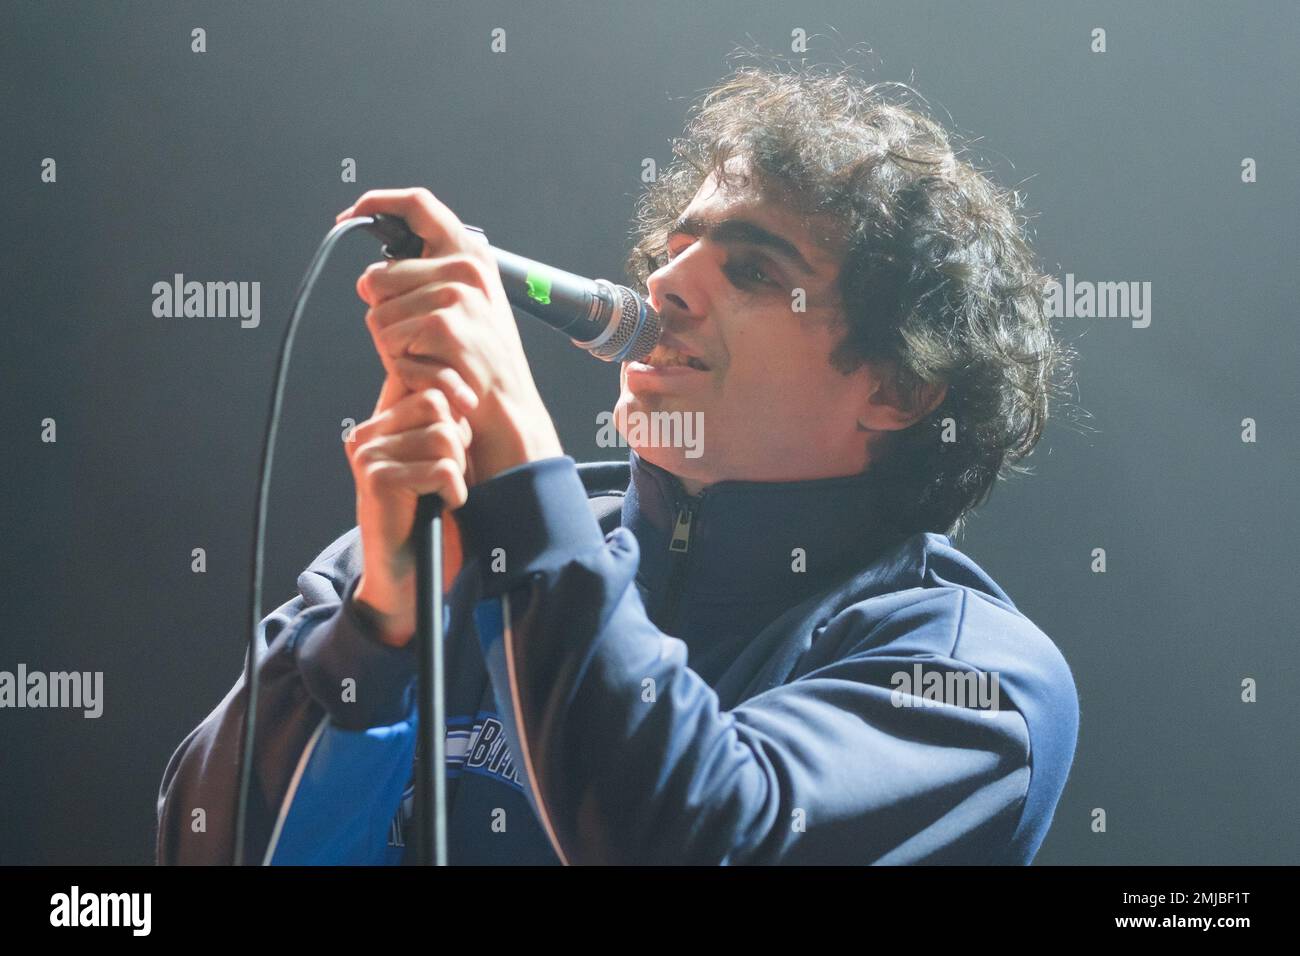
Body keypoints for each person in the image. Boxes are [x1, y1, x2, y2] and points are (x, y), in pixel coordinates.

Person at [156, 64, 1079, 865]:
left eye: (753, 271)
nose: (668, 283)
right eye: (676, 250)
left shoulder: (972, 676)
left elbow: (700, 842)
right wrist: (376, 636)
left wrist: (517, 456)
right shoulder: (437, 548)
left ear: (900, 389)